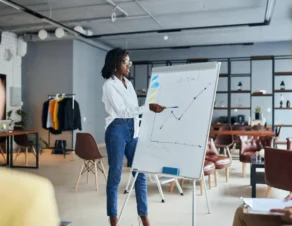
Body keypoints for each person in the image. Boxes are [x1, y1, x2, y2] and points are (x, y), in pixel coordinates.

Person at [101, 48, 165, 226]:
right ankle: (113, 218)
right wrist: (148, 108)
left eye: (129, 61)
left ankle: (143, 214)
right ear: (115, 64)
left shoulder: (128, 84)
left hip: (132, 130)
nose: (129, 65)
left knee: (140, 172)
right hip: (116, 130)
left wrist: (138, 130)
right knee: (115, 176)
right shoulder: (109, 85)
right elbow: (122, 111)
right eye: (125, 62)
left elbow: (134, 111)